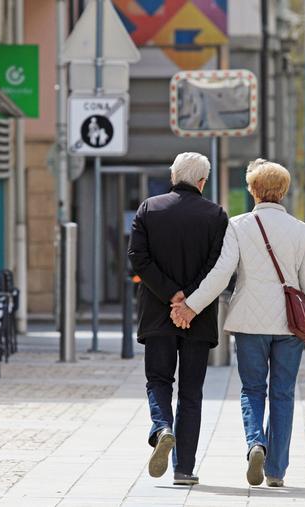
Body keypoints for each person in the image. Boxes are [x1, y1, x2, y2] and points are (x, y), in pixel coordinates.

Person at [171, 159, 305, 488]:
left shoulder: (239, 225)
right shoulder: (300, 230)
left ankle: (255, 442)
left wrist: (192, 307)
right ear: (283, 191)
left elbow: (221, 274)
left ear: (253, 189)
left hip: (248, 322)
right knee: (283, 394)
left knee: (252, 390)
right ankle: (275, 471)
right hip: (290, 325)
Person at [127, 152, 228, 486]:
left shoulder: (148, 209)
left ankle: (162, 427)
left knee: (158, 380)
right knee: (191, 394)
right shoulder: (216, 215)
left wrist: (172, 295)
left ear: (174, 176)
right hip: (198, 318)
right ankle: (184, 469)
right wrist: (190, 302)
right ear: (202, 181)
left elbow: (137, 258)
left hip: (157, 312)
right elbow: (218, 266)